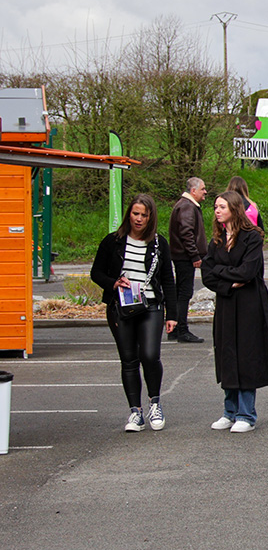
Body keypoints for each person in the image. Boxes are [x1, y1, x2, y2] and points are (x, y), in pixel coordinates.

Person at [90, 194, 178, 432]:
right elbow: (96, 272)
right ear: (129, 214)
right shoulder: (113, 241)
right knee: (129, 359)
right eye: (135, 213)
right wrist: (113, 283)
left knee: (150, 355)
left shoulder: (159, 243)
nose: (139, 219)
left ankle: (155, 403)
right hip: (121, 308)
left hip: (151, 306)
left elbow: (168, 280)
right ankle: (135, 412)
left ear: (151, 217)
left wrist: (173, 314)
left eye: (144, 215)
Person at [201, 190, 268, 432]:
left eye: (222, 207)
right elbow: (207, 273)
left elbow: (248, 272)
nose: (217, 211)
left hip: (250, 303)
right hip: (227, 301)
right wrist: (228, 282)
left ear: (234, 209)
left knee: (247, 354)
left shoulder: (252, 237)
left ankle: (246, 414)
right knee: (227, 352)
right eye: (216, 207)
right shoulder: (217, 240)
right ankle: (229, 411)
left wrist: (220, 271)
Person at [167, 177, 206, 344]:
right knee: (184, 292)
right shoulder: (187, 207)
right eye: (203, 189)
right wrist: (194, 255)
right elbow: (186, 233)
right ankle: (182, 330)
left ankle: (175, 329)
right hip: (184, 257)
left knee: (180, 292)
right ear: (193, 191)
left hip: (181, 256)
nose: (205, 192)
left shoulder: (184, 205)